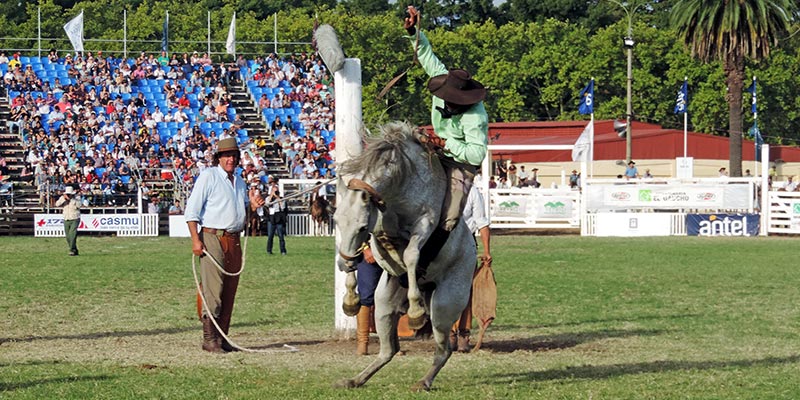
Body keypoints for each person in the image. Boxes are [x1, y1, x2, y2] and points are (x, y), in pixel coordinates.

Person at [404, 5, 489, 232]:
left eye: (454, 100)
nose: (448, 102)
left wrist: (445, 143)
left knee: (449, 218)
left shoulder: (476, 116)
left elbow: (477, 154)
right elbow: (426, 55)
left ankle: (434, 251)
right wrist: (414, 32)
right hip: (436, 148)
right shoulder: (442, 78)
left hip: (461, 164)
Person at [184, 137, 265, 353]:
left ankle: (222, 337)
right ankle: (209, 338)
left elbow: (243, 213)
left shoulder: (239, 182)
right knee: (213, 289)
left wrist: (253, 207)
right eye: (226, 155)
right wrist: (195, 240)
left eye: (233, 156)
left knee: (230, 289)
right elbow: (191, 212)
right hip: (212, 237)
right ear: (219, 158)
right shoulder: (208, 176)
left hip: (233, 238)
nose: (230, 159)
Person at [450, 185, 492, 353]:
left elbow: (482, 222)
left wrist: (487, 251)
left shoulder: (473, 192)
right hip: (443, 245)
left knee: (466, 292)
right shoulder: (441, 186)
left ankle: (463, 333)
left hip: (466, 246)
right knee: (444, 290)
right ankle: (449, 332)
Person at [55, 185, 81, 256]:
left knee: (72, 234)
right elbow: (57, 204)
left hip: (75, 218)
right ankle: (74, 249)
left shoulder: (77, 198)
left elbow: (79, 205)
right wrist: (64, 199)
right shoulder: (62, 198)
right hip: (66, 218)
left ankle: (71, 250)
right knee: (68, 236)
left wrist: (70, 199)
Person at [266, 178, 287, 255]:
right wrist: (272, 195)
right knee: (270, 236)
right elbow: (267, 204)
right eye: (274, 191)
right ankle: (269, 250)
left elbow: (283, 207)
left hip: (279, 217)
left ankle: (283, 251)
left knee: (281, 236)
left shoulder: (282, 199)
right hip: (271, 218)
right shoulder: (268, 198)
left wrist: (277, 197)